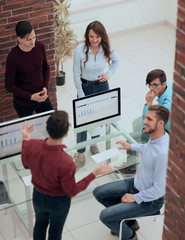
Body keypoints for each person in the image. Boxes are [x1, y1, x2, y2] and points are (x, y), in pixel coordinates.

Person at [20, 110, 113, 240]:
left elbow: (25, 164)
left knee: (39, 226)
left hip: (38, 196)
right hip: (58, 202)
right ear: (66, 134)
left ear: (47, 129)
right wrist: (94, 173)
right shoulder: (66, 161)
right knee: (55, 232)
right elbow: (71, 190)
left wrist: (25, 139)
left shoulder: (32, 145)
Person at [93, 105, 170, 240]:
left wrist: (135, 198)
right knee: (98, 193)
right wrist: (131, 146)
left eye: (149, 119)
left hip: (150, 200)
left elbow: (159, 190)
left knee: (104, 216)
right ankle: (129, 222)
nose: (144, 121)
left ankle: (130, 236)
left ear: (160, 123)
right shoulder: (159, 137)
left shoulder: (163, 153)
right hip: (135, 183)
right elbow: (148, 148)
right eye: (146, 117)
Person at [73, 20, 119, 169]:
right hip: (84, 87)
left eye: (97, 37)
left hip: (101, 86)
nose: (94, 40)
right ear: (87, 35)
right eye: (91, 36)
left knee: (98, 119)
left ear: (102, 37)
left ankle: (94, 143)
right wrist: (81, 94)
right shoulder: (80, 50)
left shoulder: (107, 48)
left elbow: (116, 62)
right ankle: (80, 154)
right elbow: (76, 73)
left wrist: (108, 74)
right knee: (83, 123)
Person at [120, 69, 173, 176]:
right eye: (149, 85)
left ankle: (131, 168)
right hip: (167, 123)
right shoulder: (170, 86)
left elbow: (147, 123)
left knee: (132, 137)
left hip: (168, 133)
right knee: (136, 122)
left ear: (164, 84)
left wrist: (149, 102)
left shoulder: (167, 106)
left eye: (154, 85)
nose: (151, 88)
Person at [5, 20, 53, 118]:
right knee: (27, 132)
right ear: (19, 39)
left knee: (54, 124)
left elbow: (46, 68)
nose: (33, 41)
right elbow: (9, 85)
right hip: (23, 103)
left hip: (41, 97)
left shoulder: (40, 46)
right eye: (29, 39)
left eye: (34, 37)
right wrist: (30, 97)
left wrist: (45, 87)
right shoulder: (13, 57)